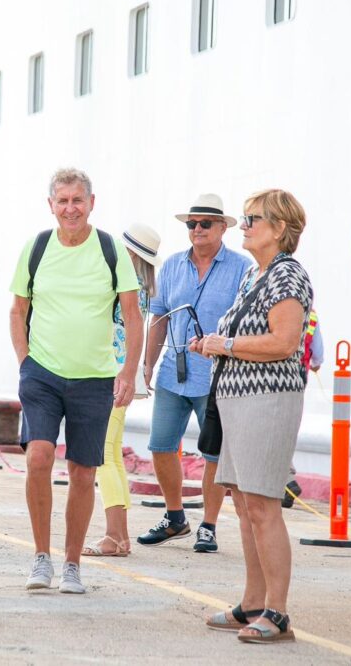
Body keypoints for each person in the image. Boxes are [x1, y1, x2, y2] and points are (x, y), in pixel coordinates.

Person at [9, 168, 142, 594]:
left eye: (77, 200)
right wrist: (25, 363)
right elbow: (18, 310)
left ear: (91, 203)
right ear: (51, 205)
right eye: (62, 200)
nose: (70, 208)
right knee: (38, 457)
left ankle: (71, 564)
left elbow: (133, 315)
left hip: (95, 378)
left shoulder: (110, 250)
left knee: (83, 473)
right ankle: (41, 557)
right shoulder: (37, 247)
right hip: (42, 373)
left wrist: (128, 371)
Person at [194, 189, 313, 643]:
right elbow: (248, 338)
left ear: (279, 228)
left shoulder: (287, 275)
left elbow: (284, 342)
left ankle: (277, 613)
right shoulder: (253, 275)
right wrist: (214, 344)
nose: (242, 226)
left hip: (268, 401)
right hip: (237, 401)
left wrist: (224, 344)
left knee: (263, 506)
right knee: (244, 505)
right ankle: (252, 604)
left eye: (251, 219)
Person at [137, 194, 251, 553]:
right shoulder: (171, 266)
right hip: (173, 373)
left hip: (217, 377)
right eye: (192, 224)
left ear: (222, 228)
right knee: (160, 445)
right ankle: (175, 518)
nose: (197, 229)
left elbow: (247, 322)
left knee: (214, 453)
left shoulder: (242, 267)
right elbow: (159, 319)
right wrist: (146, 367)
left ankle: (209, 526)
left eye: (205, 223)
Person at [82, 222, 160, 557]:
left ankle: (115, 536)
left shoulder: (122, 286)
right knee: (111, 453)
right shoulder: (141, 288)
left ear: (130, 254)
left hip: (110, 375)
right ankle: (120, 536)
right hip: (123, 375)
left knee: (104, 456)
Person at [282, 309, 323, 508]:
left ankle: (286, 481)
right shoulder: (312, 315)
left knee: (273, 431)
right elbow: (318, 356)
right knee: (286, 429)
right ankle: (286, 481)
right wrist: (313, 363)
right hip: (299, 377)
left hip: (275, 377)